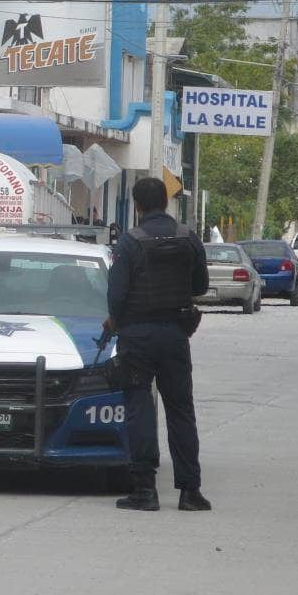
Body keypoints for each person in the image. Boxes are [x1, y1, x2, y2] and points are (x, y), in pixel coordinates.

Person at [106, 176, 211, 512]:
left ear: (136, 206)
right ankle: (190, 492)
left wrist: (117, 322)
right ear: (166, 202)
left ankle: (144, 490)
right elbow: (201, 285)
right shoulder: (188, 238)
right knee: (181, 410)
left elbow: (116, 295)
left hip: (137, 337)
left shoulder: (130, 242)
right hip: (175, 334)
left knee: (140, 407)